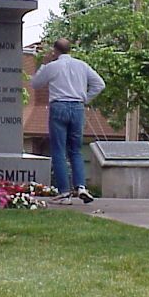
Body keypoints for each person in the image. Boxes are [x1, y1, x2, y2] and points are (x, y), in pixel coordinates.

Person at [31, 38, 105, 205]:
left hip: (59, 106)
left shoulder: (52, 66)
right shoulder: (82, 65)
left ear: (55, 50)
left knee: (58, 151)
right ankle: (81, 187)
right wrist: (85, 99)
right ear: (70, 49)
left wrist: (44, 64)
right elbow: (99, 84)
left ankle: (64, 192)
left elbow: (35, 84)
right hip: (77, 107)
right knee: (76, 150)